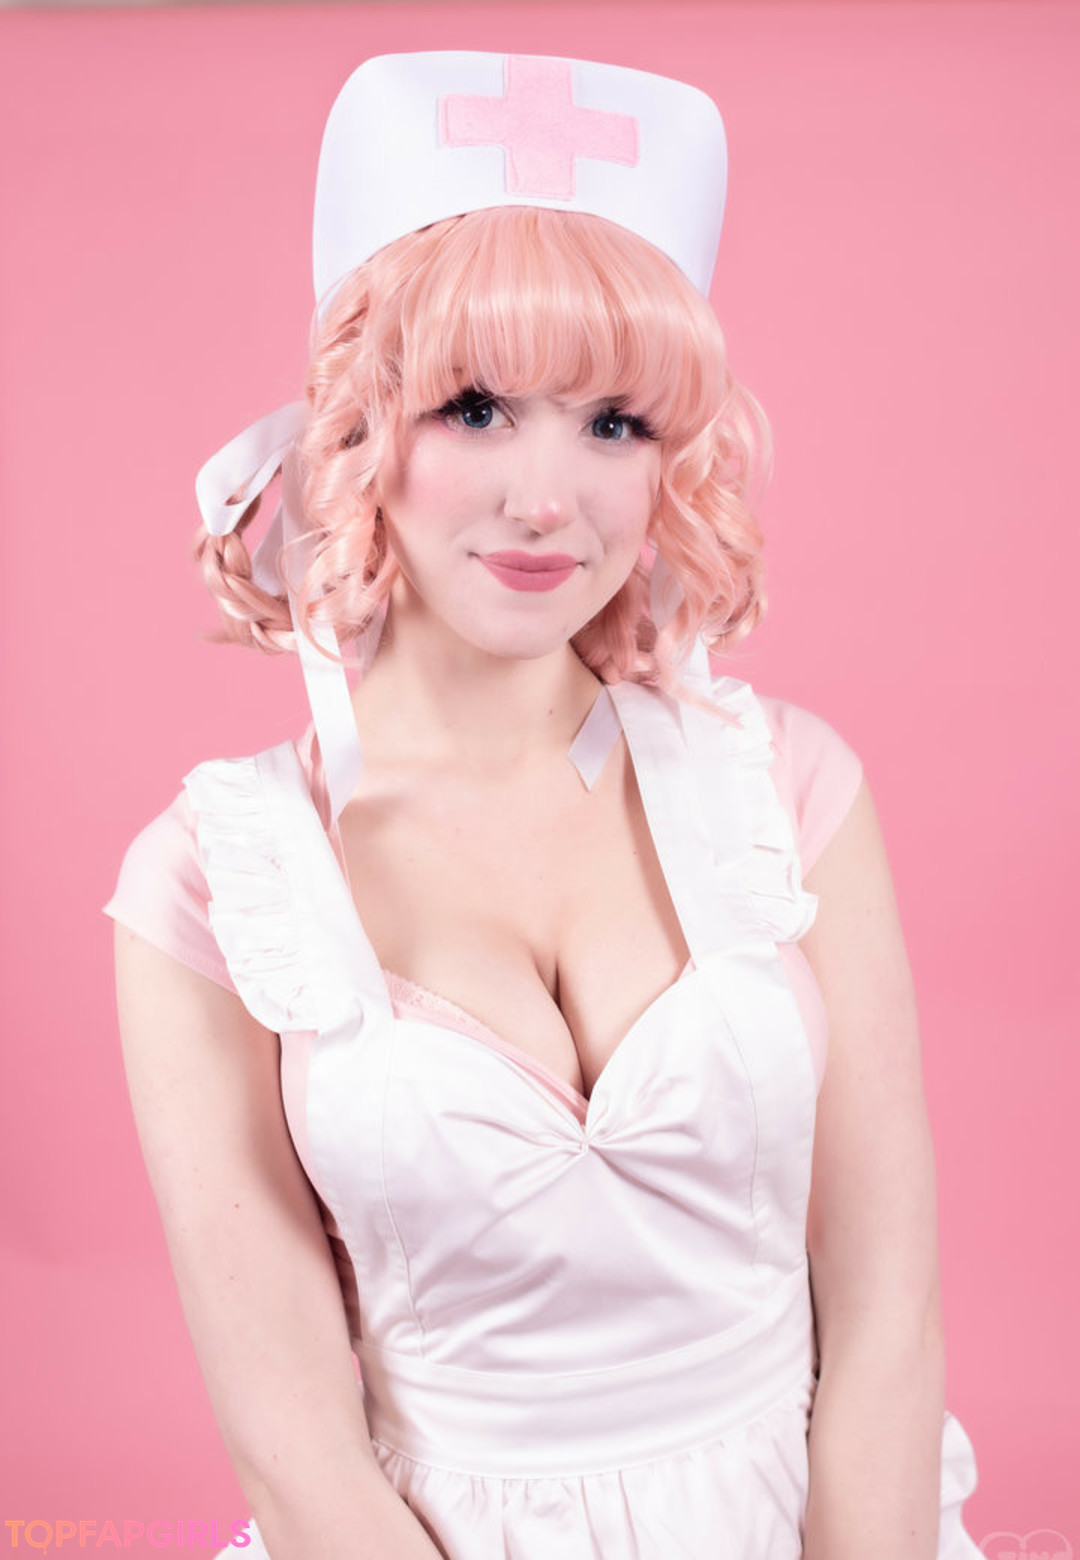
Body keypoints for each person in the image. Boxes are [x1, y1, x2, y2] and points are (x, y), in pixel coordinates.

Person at [105, 51, 983, 1560]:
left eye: (613, 424)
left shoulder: (790, 789)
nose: (546, 500)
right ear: (357, 432)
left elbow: (888, 1313)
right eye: (476, 407)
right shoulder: (212, 881)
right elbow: (296, 1450)